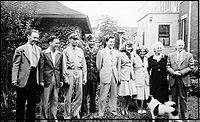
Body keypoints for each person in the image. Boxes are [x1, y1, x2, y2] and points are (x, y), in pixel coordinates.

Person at [11, 29, 41, 121]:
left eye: (37, 38)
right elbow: (15, 65)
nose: (35, 39)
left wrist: (40, 80)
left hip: (33, 78)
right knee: (20, 104)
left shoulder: (39, 49)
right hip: (23, 78)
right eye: (34, 37)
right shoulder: (20, 49)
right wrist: (14, 79)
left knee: (32, 105)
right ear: (28, 36)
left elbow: (39, 66)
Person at [167, 40, 194, 120]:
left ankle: (184, 117)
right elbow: (167, 66)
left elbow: (191, 67)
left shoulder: (189, 55)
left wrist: (181, 72)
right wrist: (173, 72)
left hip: (183, 79)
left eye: (182, 45)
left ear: (184, 46)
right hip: (174, 79)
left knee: (183, 98)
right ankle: (173, 117)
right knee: (173, 99)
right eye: (179, 45)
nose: (181, 47)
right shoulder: (170, 55)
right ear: (175, 46)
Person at [62, 32, 87, 119]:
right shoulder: (65, 51)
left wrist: (84, 76)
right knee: (68, 95)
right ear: (70, 40)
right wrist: (65, 77)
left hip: (79, 72)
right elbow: (64, 65)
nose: (76, 41)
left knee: (79, 95)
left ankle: (75, 113)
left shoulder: (80, 51)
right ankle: (67, 115)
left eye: (77, 39)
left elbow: (84, 64)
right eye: (74, 39)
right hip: (70, 72)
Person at [94, 35, 119, 118]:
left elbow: (117, 64)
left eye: (113, 42)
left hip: (114, 75)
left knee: (114, 94)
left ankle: (113, 110)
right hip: (105, 74)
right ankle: (101, 113)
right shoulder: (101, 52)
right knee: (103, 95)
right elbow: (98, 66)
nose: (112, 43)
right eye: (111, 42)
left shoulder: (116, 52)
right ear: (106, 42)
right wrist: (103, 72)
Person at [39, 36, 63, 121]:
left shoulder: (60, 54)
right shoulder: (44, 53)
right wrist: (41, 80)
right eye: (56, 43)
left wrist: (61, 80)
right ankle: (43, 119)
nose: (58, 45)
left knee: (55, 99)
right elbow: (41, 68)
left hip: (56, 78)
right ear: (50, 43)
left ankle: (53, 117)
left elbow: (61, 68)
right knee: (45, 100)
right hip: (47, 79)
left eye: (58, 43)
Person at [81, 34, 99, 118]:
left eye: (93, 41)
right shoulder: (83, 50)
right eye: (90, 41)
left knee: (93, 94)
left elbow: (98, 63)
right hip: (85, 75)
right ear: (87, 42)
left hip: (94, 75)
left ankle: (93, 111)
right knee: (84, 94)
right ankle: (84, 111)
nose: (92, 43)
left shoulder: (97, 51)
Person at [117, 41, 137, 115]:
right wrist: (119, 77)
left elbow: (132, 65)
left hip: (131, 76)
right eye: (128, 46)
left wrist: (133, 75)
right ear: (124, 47)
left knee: (130, 94)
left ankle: (126, 108)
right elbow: (118, 66)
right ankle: (122, 108)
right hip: (123, 75)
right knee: (124, 95)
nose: (129, 48)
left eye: (130, 47)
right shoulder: (120, 54)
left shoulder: (132, 55)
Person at [132, 45, 150, 114]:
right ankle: (139, 108)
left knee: (146, 94)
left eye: (144, 52)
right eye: (141, 52)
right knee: (139, 94)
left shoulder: (146, 58)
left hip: (146, 78)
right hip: (138, 78)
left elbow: (148, 68)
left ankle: (144, 108)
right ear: (138, 52)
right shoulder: (135, 58)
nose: (142, 53)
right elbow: (132, 68)